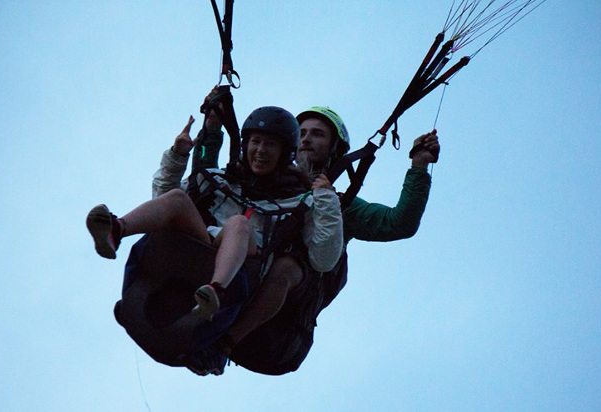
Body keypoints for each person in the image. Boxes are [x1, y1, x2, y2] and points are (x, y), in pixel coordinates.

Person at [185, 99, 439, 375]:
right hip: (237, 277)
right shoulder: (258, 181)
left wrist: (419, 166)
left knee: (286, 265)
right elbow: (206, 185)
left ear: (334, 149)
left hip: (283, 320)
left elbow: (399, 223)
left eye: (317, 134)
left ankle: (224, 345)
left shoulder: (338, 204)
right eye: (302, 133)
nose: (306, 140)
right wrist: (213, 128)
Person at [88, 106, 343, 375]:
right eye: (255, 142)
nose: (260, 150)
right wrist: (177, 155)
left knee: (238, 224)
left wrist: (327, 201)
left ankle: (215, 290)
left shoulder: (301, 202)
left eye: (270, 145)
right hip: (203, 244)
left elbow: (323, 259)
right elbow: (161, 203)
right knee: (178, 199)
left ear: (285, 153)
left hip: (246, 262)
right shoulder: (220, 179)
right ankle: (116, 230)